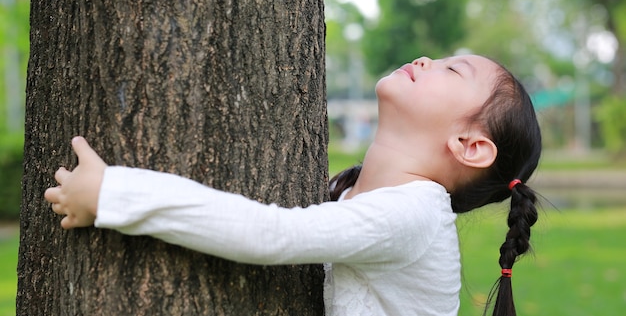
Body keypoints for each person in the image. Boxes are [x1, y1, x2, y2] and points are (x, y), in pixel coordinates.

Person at [45, 54, 541, 316]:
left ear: (469, 145)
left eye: (455, 69)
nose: (429, 58)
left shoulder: (411, 216)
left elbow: (268, 234)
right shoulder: (353, 194)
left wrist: (112, 193)